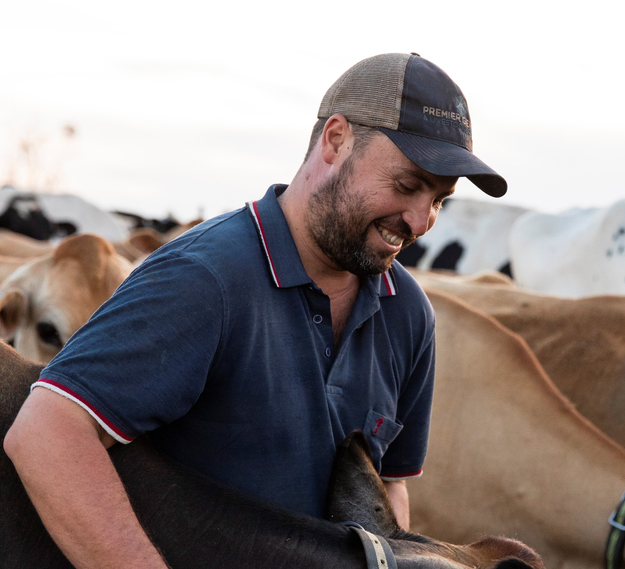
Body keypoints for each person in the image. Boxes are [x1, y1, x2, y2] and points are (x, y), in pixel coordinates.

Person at [4, 52, 507, 569]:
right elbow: (47, 433)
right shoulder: (206, 278)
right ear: (336, 140)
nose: (421, 221)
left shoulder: (409, 316)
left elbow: (388, 494)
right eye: (406, 185)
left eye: (439, 199)